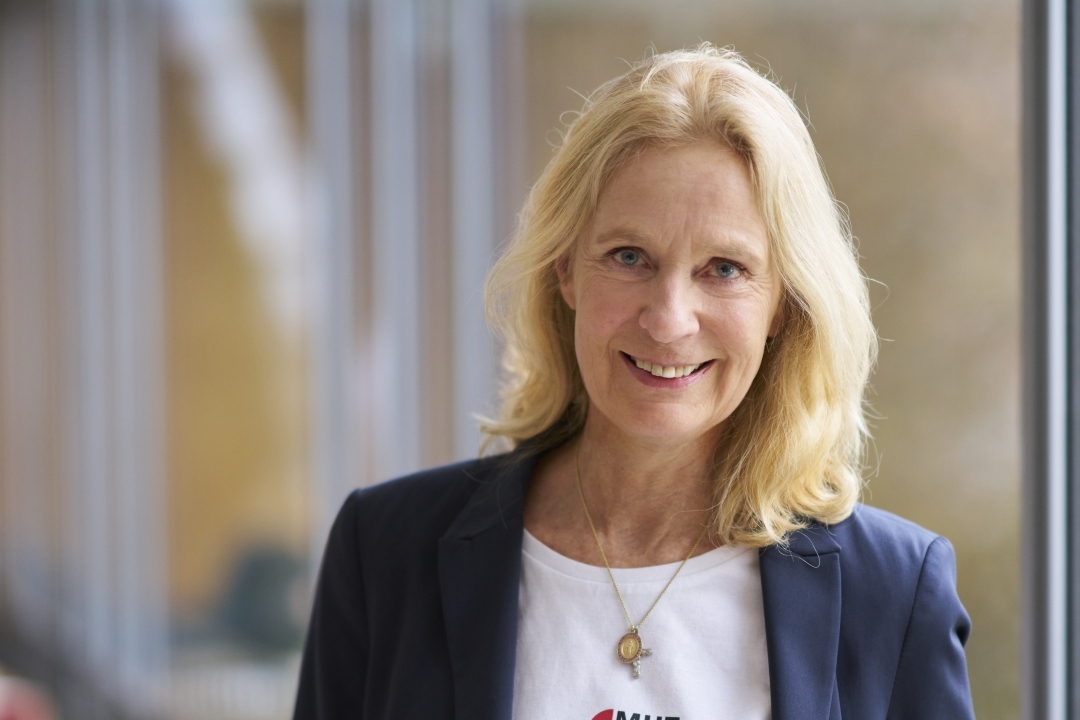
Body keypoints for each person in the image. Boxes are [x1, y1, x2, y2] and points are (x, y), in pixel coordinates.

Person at [294, 45, 974, 720]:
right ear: (565, 270)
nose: (669, 320)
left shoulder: (894, 593)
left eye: (725, 269)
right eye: (629, 256)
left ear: (784, 304)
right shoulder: (384, 551)